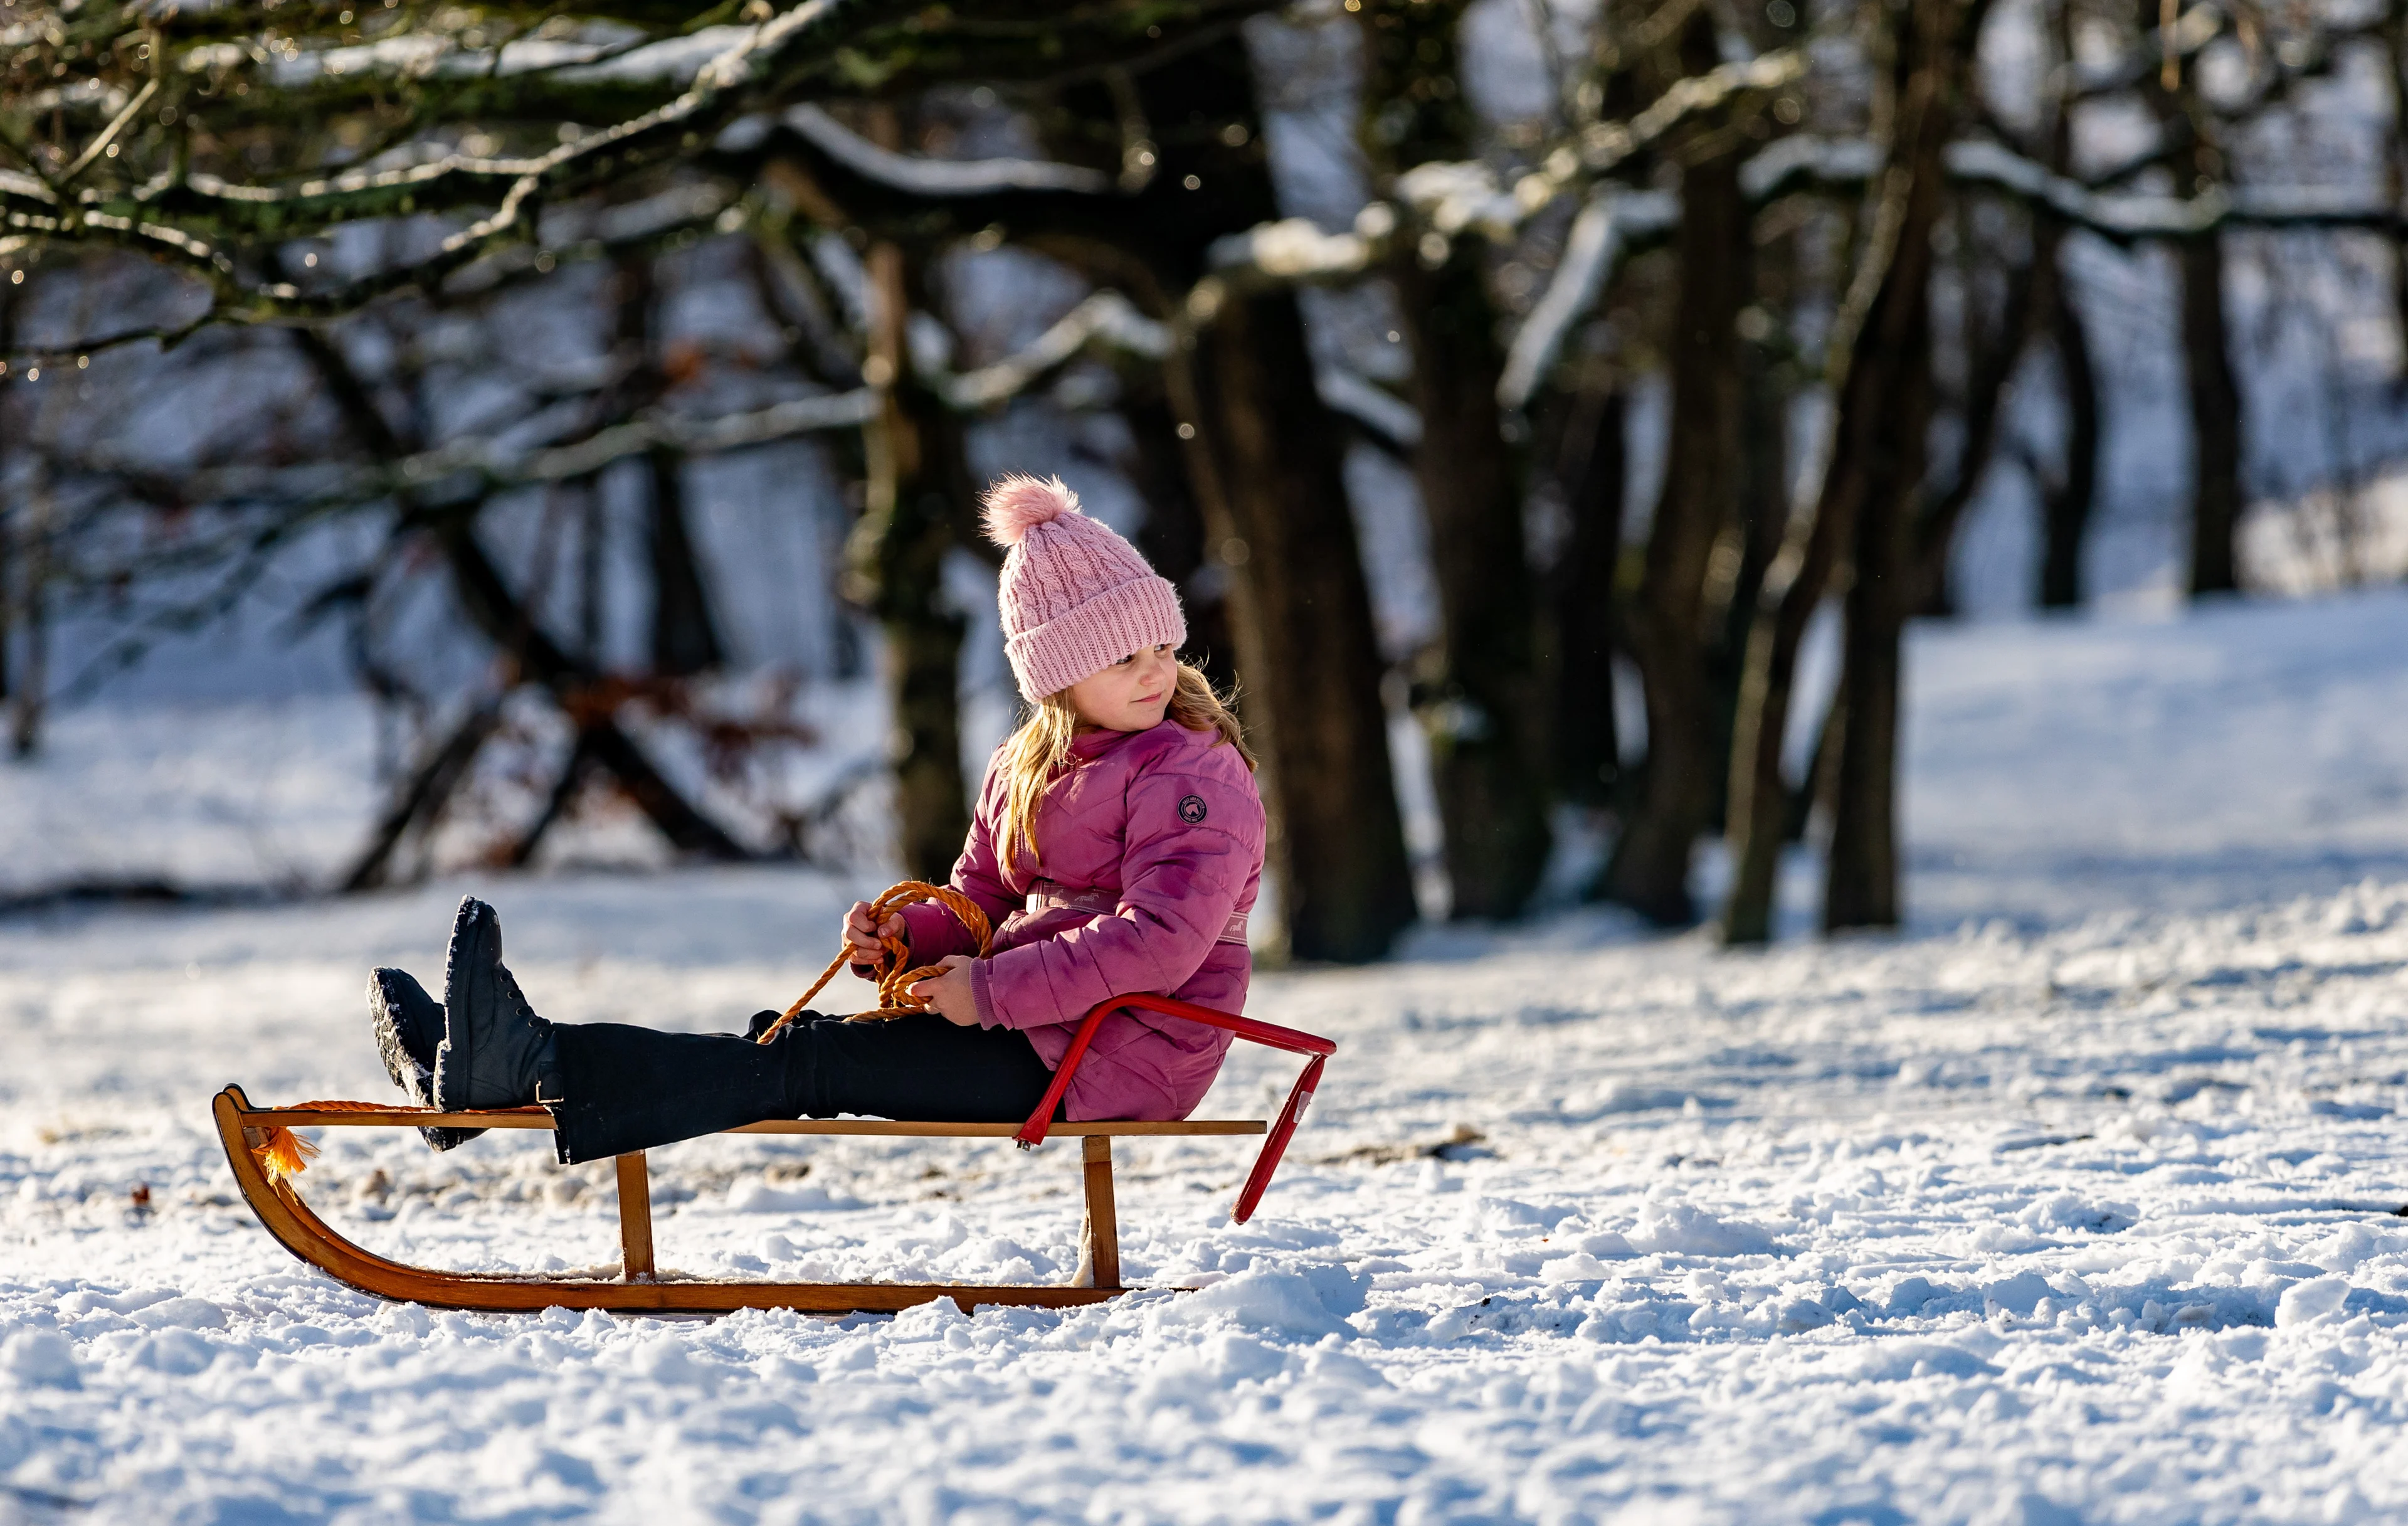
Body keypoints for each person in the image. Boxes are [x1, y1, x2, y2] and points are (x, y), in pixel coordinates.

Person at [364, 474, 1267, 1165]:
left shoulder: (1194, 772)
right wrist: (906, 939)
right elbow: (982, 896)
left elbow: (1161, 942)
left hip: (1119, 1054)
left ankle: (519, 1066)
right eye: (1121, 658)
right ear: (1057, 675)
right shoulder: (1027, 764)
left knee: (807, 1063)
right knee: (789, 1049)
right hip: (1037, 1028)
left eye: (1161, 646)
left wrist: (990, 994)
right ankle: (510, 1065)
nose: (1154, 672)